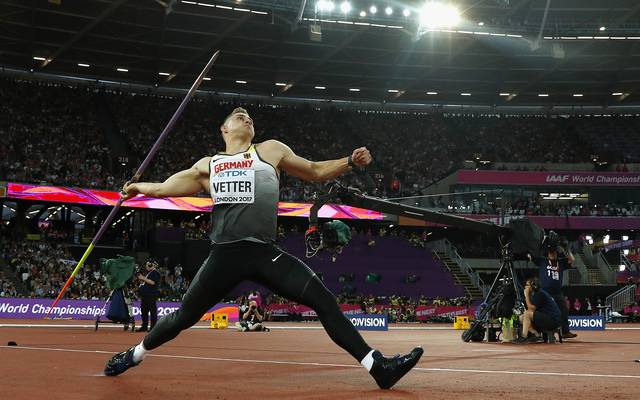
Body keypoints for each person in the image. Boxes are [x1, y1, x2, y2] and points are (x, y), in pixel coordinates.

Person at [104, 107, 423, 389]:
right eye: (237, 115)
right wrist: (135, 188)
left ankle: (377, 366)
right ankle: (134, 354)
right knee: (183, 318)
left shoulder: (270, 150)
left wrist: (349, 162)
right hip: (225, 255)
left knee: (322, 298)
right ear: (224, 129)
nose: (246, 116)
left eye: (249, 117)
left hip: (264, 252)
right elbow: (162, 188)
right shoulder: (208, 165)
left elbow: (313, 171)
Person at [530, 234, 577, 339]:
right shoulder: (542, 260)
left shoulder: (561, 262)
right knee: (540, 310)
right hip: (544, 292)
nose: (552, 253)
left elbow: (572, 260)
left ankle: (565, 331)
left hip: (557, 292)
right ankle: (539, 331)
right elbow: (531, 256)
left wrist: (566, 248)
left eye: (554, 251)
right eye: (551, 251)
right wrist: (541, 244)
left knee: (564, 310)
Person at [517, 277, 562, 344]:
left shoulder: (540, 294)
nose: (525, 287)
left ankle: (523, 337)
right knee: (521, 318)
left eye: (527, 285)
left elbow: (530, 309)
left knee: (527, 314)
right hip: (546, 317)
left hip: (553, 320)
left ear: (533, 286)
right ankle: (536, 334)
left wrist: (526, 295)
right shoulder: (535, 294)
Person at [136, 259, 161, 332]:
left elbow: (153, 282)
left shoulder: (155, 273)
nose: (146, 266)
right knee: (144, 311)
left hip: (151, 295)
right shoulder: (149, 273)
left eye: (147, 264)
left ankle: (153, 327)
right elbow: (147, 282)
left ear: (151, 265)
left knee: (152, 311)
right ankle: (144, 326)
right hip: (145, 295)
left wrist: (143, 278)